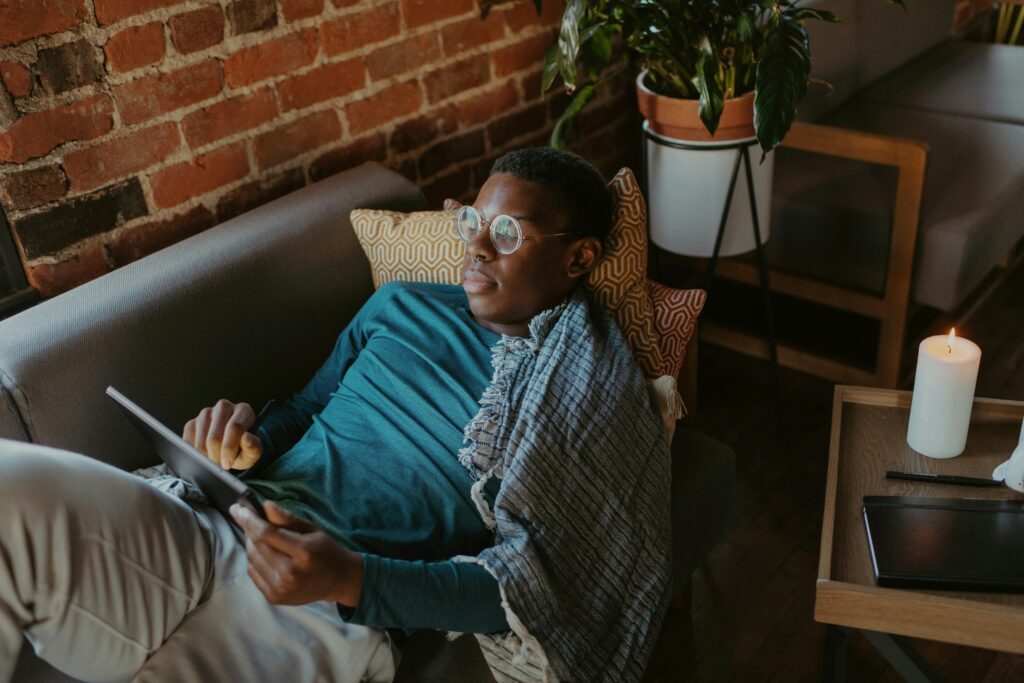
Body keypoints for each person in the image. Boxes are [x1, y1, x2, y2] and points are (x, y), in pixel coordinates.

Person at [0, 148, 670, 683]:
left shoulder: (578, 389)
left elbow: (534, 583)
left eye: (506, 233)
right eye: (473, 222)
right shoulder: (400, 303)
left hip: (323, 607)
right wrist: (246, 440)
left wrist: (351, 578)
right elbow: (307, 407)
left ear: (578, 257)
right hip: (216, 518)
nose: (476, 248)